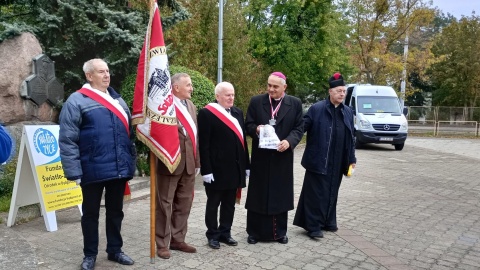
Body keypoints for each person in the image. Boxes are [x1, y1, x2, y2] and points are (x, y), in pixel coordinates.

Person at [59, 59, 136, 270]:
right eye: (101, 72)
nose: (106, 75)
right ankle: (90, 255)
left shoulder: (118, 101)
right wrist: (73, 171)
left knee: (116, 212)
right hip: (91, 169)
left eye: (108, 71)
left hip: (118, 169)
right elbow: (68, 139)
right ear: (89, 76)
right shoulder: (76, 101)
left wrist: (131, 163)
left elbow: (128, 136)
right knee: (90, 214)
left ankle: (115, 250)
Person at [293, 72, 356, 239]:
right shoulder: (317, 109)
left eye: (344, 91)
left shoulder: (348, 111)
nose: (342, 94)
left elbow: (351, 137)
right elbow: (302, 127)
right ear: (330, 92)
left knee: (332, 191)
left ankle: (328, 221)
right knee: (316, 194)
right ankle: (313, 226)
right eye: (339, 91)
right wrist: (288, 139)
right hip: (318, 158)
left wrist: (352, 159)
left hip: (338, 159)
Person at [244, 72, 304, 244]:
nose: (271, 89)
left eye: (275, 86)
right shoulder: (257, 101)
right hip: (261, 157)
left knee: (280, 195)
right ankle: (254, 233)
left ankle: (279, 233)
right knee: (258, 195)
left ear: (284, 87)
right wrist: (256, 129)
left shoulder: (295, 103)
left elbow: (299, 127)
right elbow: (248, 124)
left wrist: (289, 141)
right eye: (269, 85)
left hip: (282, 157)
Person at [197, 82, 250, 249]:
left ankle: (225, 232)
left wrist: (246, 165)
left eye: (233, 94)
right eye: (227, 95)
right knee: (213, 203)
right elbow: (203, 145)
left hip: (234, 168)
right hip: (216, 169)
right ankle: (212, 235)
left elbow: (243, 142)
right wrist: (206, 170)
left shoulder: (237, 112)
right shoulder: (206, 113)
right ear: (218, 96)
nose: (231, 97)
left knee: (229, 204)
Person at [155, 73, 200, 259]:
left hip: (189, 163)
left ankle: (178, 239)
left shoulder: (191, 106)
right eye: (188, 85)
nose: (191, 88)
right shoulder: (163, 106)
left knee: (184, 203)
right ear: (176, 87)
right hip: (170, 163)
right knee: (165, 204)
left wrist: (198, 162)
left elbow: (196, 136)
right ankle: (162, 243)